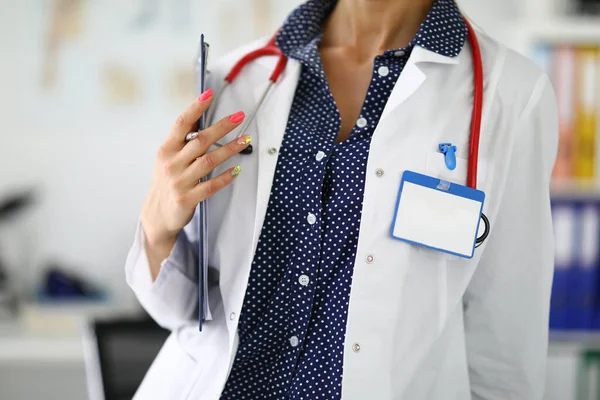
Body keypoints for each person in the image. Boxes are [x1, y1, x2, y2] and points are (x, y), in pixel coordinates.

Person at [125, 0, 558, 398]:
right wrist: (157, 229)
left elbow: (506, 348)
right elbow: (181, 311)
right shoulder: (235, 77)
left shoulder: (510, 93)